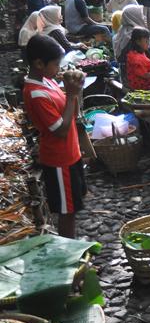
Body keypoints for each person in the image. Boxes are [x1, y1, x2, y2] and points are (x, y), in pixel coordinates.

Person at [22, 35, 86, 238]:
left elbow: (71, 115)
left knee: (73, 206)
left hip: (70, 153)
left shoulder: (48, 82)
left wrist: (74, 91)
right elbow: (61, 130)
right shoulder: (35, 93)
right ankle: (69, 253)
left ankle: (72, 246)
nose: (59, 69)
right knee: (67, 211)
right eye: (56, 64)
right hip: (59, 159)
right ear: (39, 63)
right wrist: (72, 94)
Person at [114, 5, 150, 83]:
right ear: (135, 16)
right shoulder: (139, 34)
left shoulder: (121, 33)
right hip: (138, 78)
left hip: (124, 75)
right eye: (142, 15)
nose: (144, 18)